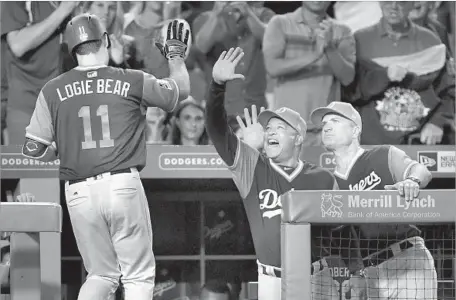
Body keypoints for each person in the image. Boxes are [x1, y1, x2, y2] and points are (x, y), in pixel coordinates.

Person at [20, 14, 191, 300]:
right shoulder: (132, 79)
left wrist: (64, 148)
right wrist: (175, 57)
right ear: (107, 41)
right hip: (121, 183)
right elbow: (181, 91)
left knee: (100, 275)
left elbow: (33, 149)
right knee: (137, 276)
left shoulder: (52, 89)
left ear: (71, 49)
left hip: (78, 192)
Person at [206, 47, 338, 300]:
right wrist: (217, 85)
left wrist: (354, 270)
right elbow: (216, 128)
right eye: (268, 128)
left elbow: (341, 230)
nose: (270, 132)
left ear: (298, 137)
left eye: (280, 127)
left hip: (317, 279)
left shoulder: (322, 177)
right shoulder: (252, 168)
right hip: (271, 281)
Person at [310, 101, 436, 300]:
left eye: (335, 120)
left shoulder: (383, 154)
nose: (326, 126)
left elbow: (422, 171)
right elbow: (342, 238)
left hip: (408, 258)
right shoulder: (329, 182)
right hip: (370, 272)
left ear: (355, 130)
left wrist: (412, 181)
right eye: (324, 123)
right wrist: (355, 274)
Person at [262, 1, 356, 147]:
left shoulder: (342, 31)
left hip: (326, 132)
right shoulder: (280, 23)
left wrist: (330, 48)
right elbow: (273, 67)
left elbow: (348, 78)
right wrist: (315, 55)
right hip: (286, 130)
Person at [1, 1, 79, 145]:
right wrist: (63, 11)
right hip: (28, 107)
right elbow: (18, 45)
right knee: (28, 166)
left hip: (66, 107)